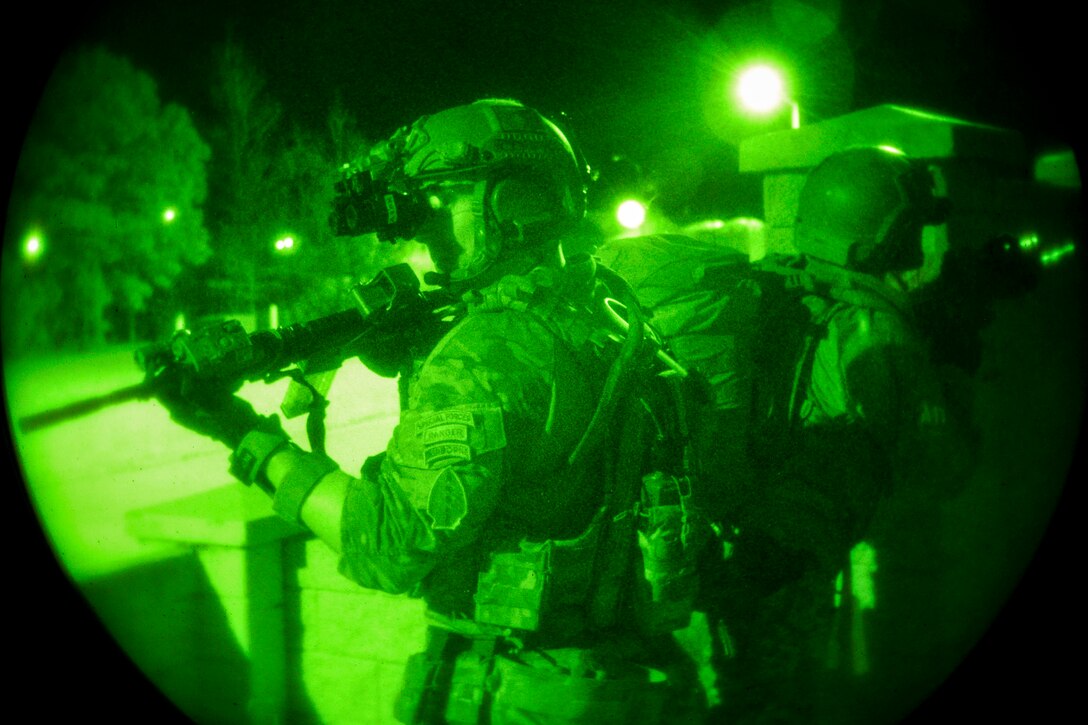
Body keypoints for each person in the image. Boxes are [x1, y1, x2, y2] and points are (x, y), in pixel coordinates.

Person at [152, 98, 707, 724]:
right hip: (616, 670)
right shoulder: (606, 307)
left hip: (519, 691)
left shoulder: (488, 349)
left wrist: (243, 435)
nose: (424, 228)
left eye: (444, 201)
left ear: (514, 202)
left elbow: (388, 542)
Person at [596, 146, 976, 723]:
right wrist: (955, 373)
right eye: (911, 226)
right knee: (771, 705)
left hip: (717, 543)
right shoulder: (873, 324)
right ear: (887, 229)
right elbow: (941, 466)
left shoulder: (771, 283)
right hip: (787, 562)